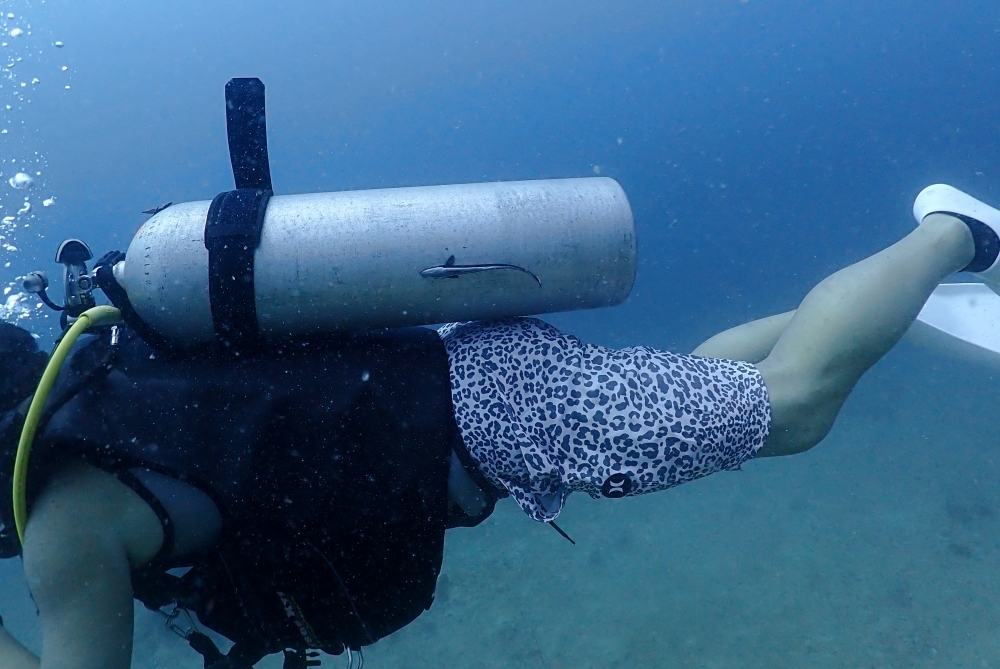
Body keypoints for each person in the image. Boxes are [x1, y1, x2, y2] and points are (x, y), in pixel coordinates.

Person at [0, 182, 993, 669]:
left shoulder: (64, 524)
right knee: (705, 380)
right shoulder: (107, 388)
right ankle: (900, 296)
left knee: (794, 407)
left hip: (492, 411)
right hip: (458, 371)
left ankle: (955, 231)